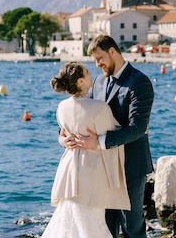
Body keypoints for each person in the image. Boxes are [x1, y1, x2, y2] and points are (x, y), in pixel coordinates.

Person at [61, 34, 154, 238]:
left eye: (100, 58)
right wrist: (62, 138)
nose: (98, 64)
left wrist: (99, 142)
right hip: (102, 167)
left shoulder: (139, 82)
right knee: (106, 226)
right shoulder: (99, 82)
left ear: (113, 52)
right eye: (94, 61)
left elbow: (138, 128)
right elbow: (82, 114)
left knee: (132, 226)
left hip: (130, 165)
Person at [44, 62, 130, 238]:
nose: (92, 73)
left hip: (69, 173)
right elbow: (113, 135)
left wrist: (62, 140)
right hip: (92, 174)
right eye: (87, 72)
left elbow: (64, 133)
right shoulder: (99, 108)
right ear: (80, 82)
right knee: (91, 224)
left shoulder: (62, 107)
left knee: (71, 222)